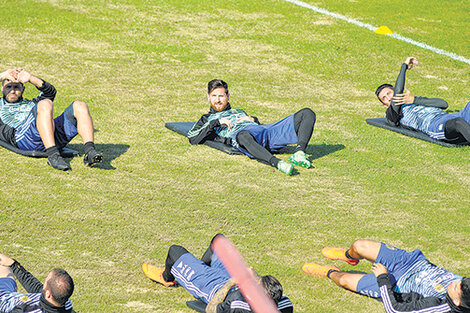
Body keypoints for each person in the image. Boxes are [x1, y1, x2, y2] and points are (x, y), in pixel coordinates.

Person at [187, 79, 317, 176]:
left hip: (265, 132)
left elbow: (257, 126)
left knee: (307, 113)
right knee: (242, 135)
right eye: (214, 96)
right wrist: (216, 122)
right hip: (242, 136)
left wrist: (253, 119)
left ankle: (299, 153)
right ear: (209, 98)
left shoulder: (238, 111)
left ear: (228, 96)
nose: (218, 100)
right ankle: (278, 163)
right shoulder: (207, 119)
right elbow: (192, 138)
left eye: (221, 96)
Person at [302, 240, 470, 313]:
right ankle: (349, 256)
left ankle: (329, 271)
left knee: (343, 280)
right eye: (459, 281)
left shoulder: (439, 306)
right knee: (359, 246)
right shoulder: (466, 289)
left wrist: (383, 278)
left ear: (457, 301)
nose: (455, 282)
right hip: (411, 262)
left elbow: (394, 309)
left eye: (455, 287)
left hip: (396, 284)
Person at [142, 234, 294, 313]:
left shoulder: (238, 306)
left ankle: (167, 278)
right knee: (219, 241)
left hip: (213, 286)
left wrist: (231, 282)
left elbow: (211, 309)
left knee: (175, 251)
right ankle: (202, 267)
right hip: (229, 278)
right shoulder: (284, 304)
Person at [0, 67, 103, 171]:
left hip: (50, 135)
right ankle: (53, 155)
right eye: (8, 87)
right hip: (24, 139)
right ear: (2, 88)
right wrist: (3, 75)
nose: (12, 91)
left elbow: (50, 92)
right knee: (45, 103)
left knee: (80, 105)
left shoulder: (32, 103)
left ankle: (90, 151)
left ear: (23, 89)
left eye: (16, 87)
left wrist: (31, 78)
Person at [375, 57, 470, 144]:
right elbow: (398, 93)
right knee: (458, 123)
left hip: (450, 116)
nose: (388, 98)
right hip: (435, 126)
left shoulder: (413, 100)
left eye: (388, 93)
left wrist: (414, 100)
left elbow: (443, 104)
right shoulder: (391, 114)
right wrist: (404, 66)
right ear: (385, 105)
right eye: (384, 98)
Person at [0, 253, 74, 313]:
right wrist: (13, 264)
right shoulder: (64, 302)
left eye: (46, 280)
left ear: (48, 294)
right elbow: (36, 287)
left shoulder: (25, 310)